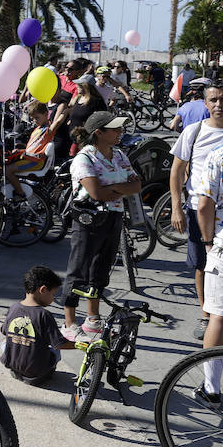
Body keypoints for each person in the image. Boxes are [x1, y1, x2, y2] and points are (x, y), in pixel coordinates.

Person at [169, 81, 223, 340]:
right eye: (213, 100)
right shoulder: (194, 131)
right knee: (203, 264)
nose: (218, 105)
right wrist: (176, 206)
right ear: (205, 103)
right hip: (200, 210)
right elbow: (177, 170)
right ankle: (206, 314)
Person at [62, 112, 139, 340]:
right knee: (78, 270)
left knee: (101, 269)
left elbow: (136, 185)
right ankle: (68, 322)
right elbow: (95, 193)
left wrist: (111, 188)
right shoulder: (84, 158)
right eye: (114, 129)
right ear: (99, 133)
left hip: (114, 217)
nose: (120, 133)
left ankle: (92, 318)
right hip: (88, 221)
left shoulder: (119, 154)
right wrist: (120, 186)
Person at [194, 134, 223, 393]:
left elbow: (204, 206)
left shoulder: (222, 152)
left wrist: (208, 241)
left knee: (219, 320)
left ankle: (211, 388)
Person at [0, 265, 71, 384]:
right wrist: (80, 345)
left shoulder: (13, 308)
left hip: (12, 365)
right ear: (43, 290)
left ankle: (17, 369)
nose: (53, 299)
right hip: (37, 373)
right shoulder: (44, 315)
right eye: (53, 294)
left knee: (5, 342)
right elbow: (59, 344)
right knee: (56, 349)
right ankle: (40, 372)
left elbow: (4, 332)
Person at [7, 101, 54, 197]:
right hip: (29, 158)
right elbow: (31, 149)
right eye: (33, 119)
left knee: (7, 170)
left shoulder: (48, 129)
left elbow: (58, 121)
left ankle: (20, 193)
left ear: (46, 114)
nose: (35, 121)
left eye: (37, 118)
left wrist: (66, 111)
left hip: (35, 161)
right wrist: (21, 151)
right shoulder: (37, 129)